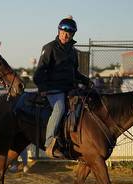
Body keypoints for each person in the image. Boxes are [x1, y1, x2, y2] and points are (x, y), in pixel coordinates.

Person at [33, 16, 92, 158]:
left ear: (73, 34)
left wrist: (86, 80)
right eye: (63, 32)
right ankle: (49, 144)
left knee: (86, 105)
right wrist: (42, 88)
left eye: (69, 33)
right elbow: (39, 72)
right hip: (54, 90)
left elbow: (74, 72)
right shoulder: (49, 48)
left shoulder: (73, 51)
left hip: (70, 88)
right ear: (59, 31)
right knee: (60, 108)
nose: (65, 35)